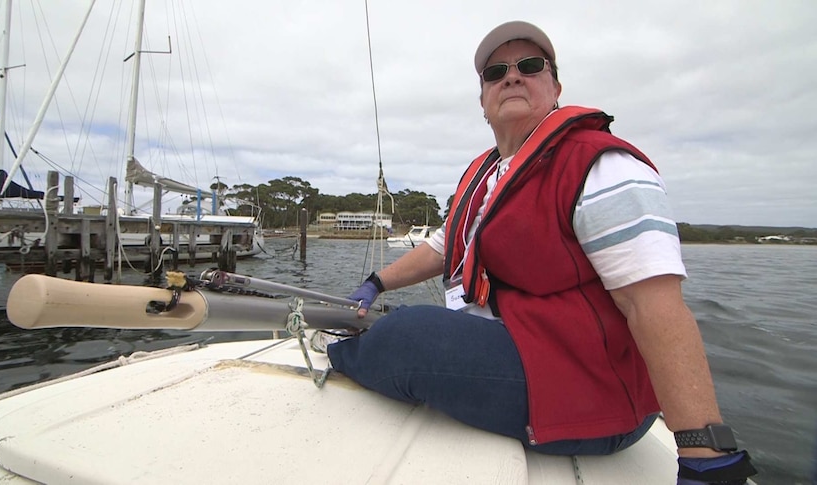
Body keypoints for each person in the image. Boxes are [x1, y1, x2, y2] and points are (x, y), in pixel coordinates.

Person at [318, 20, 757, 484]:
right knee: (404, 322)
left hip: (589, 394)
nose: (511, 76)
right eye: (495, 73)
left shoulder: (600, 166)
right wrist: (377, 282)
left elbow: (652, 306)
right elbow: (444, 246)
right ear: (483, 100)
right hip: (521, 351)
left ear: (555, 86)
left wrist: (703, 451)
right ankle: (367, 341)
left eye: (529, 66)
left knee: (406, 333)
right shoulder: (487, 174)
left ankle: (337, 353)